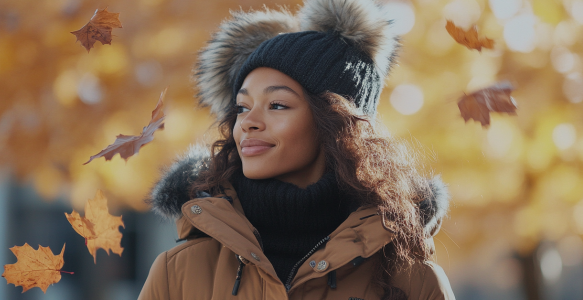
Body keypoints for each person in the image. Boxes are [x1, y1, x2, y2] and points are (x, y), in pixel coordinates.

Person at [138, 0, 455, 299]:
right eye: (241, 107)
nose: (248, 122)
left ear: (337, 124)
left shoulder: (413, 281)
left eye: (277, 105)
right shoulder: (178, 271)